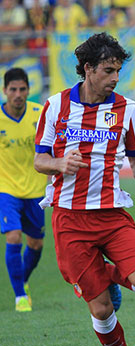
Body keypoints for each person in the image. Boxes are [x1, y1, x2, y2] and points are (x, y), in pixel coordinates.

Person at [33, 32, 135, 346]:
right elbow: (39, 160)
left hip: (112, 215)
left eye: (118, 71)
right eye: (108, 71)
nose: (114, 78)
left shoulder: (127, 109)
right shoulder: (56, 106)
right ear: (88, 69)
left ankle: (106, 273)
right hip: (70, 220)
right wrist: (59, 164)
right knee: (102, 309)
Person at [0, 68, 45, 312]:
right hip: (6, 189)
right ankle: (19, 297)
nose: (18, 94)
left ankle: (23, 279)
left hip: (36, 190)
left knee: (36, 244)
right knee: (13, 236)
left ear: (28, 90)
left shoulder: (40, 114)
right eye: (13, 90)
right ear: (5, 90)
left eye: (22, 89)